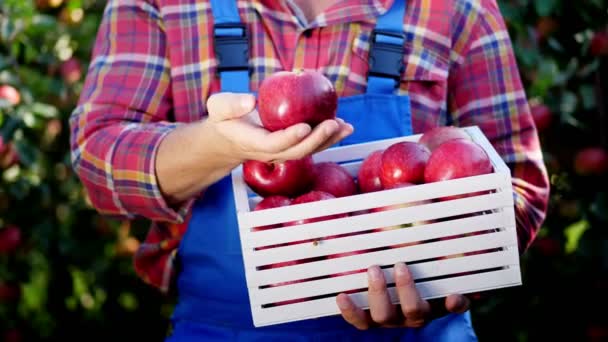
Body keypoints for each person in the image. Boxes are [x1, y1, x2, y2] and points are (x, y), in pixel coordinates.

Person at [69, 0, 550, 340]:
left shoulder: (455, 8)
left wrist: (446, 272)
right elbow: (99, 158)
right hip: (225, 333)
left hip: (419, 331)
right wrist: (219, 145)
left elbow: (517, 184)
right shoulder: (163, 4)